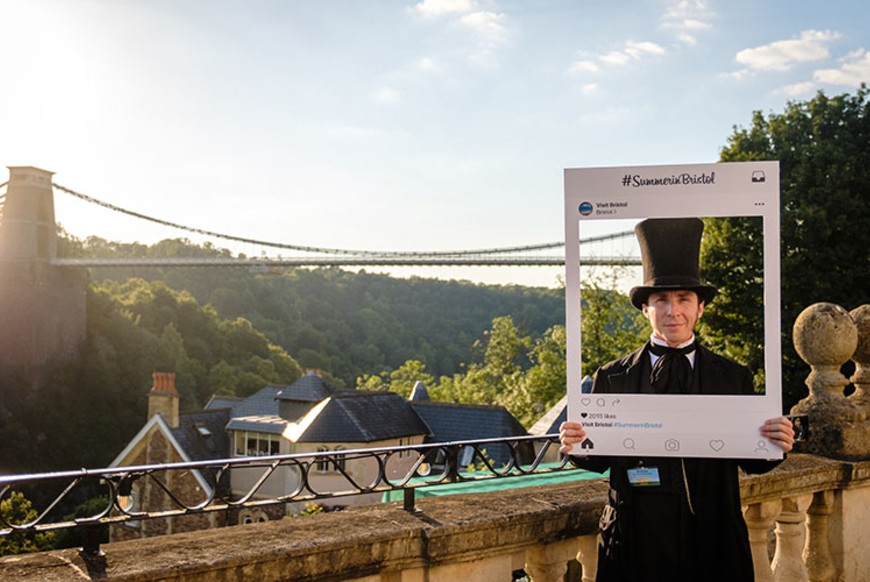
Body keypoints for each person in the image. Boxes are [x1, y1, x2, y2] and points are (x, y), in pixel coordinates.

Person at [559, 217, 795, 582]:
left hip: (712, 541)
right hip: (636, 542)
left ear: (700, 307)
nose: (673, 311)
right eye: (661, 300)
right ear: (645, 309)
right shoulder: (611, 376)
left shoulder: (733, 377)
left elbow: (753, 461)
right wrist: (576, 446)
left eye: (684, 299)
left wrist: (776, 442)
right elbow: (599, 457)